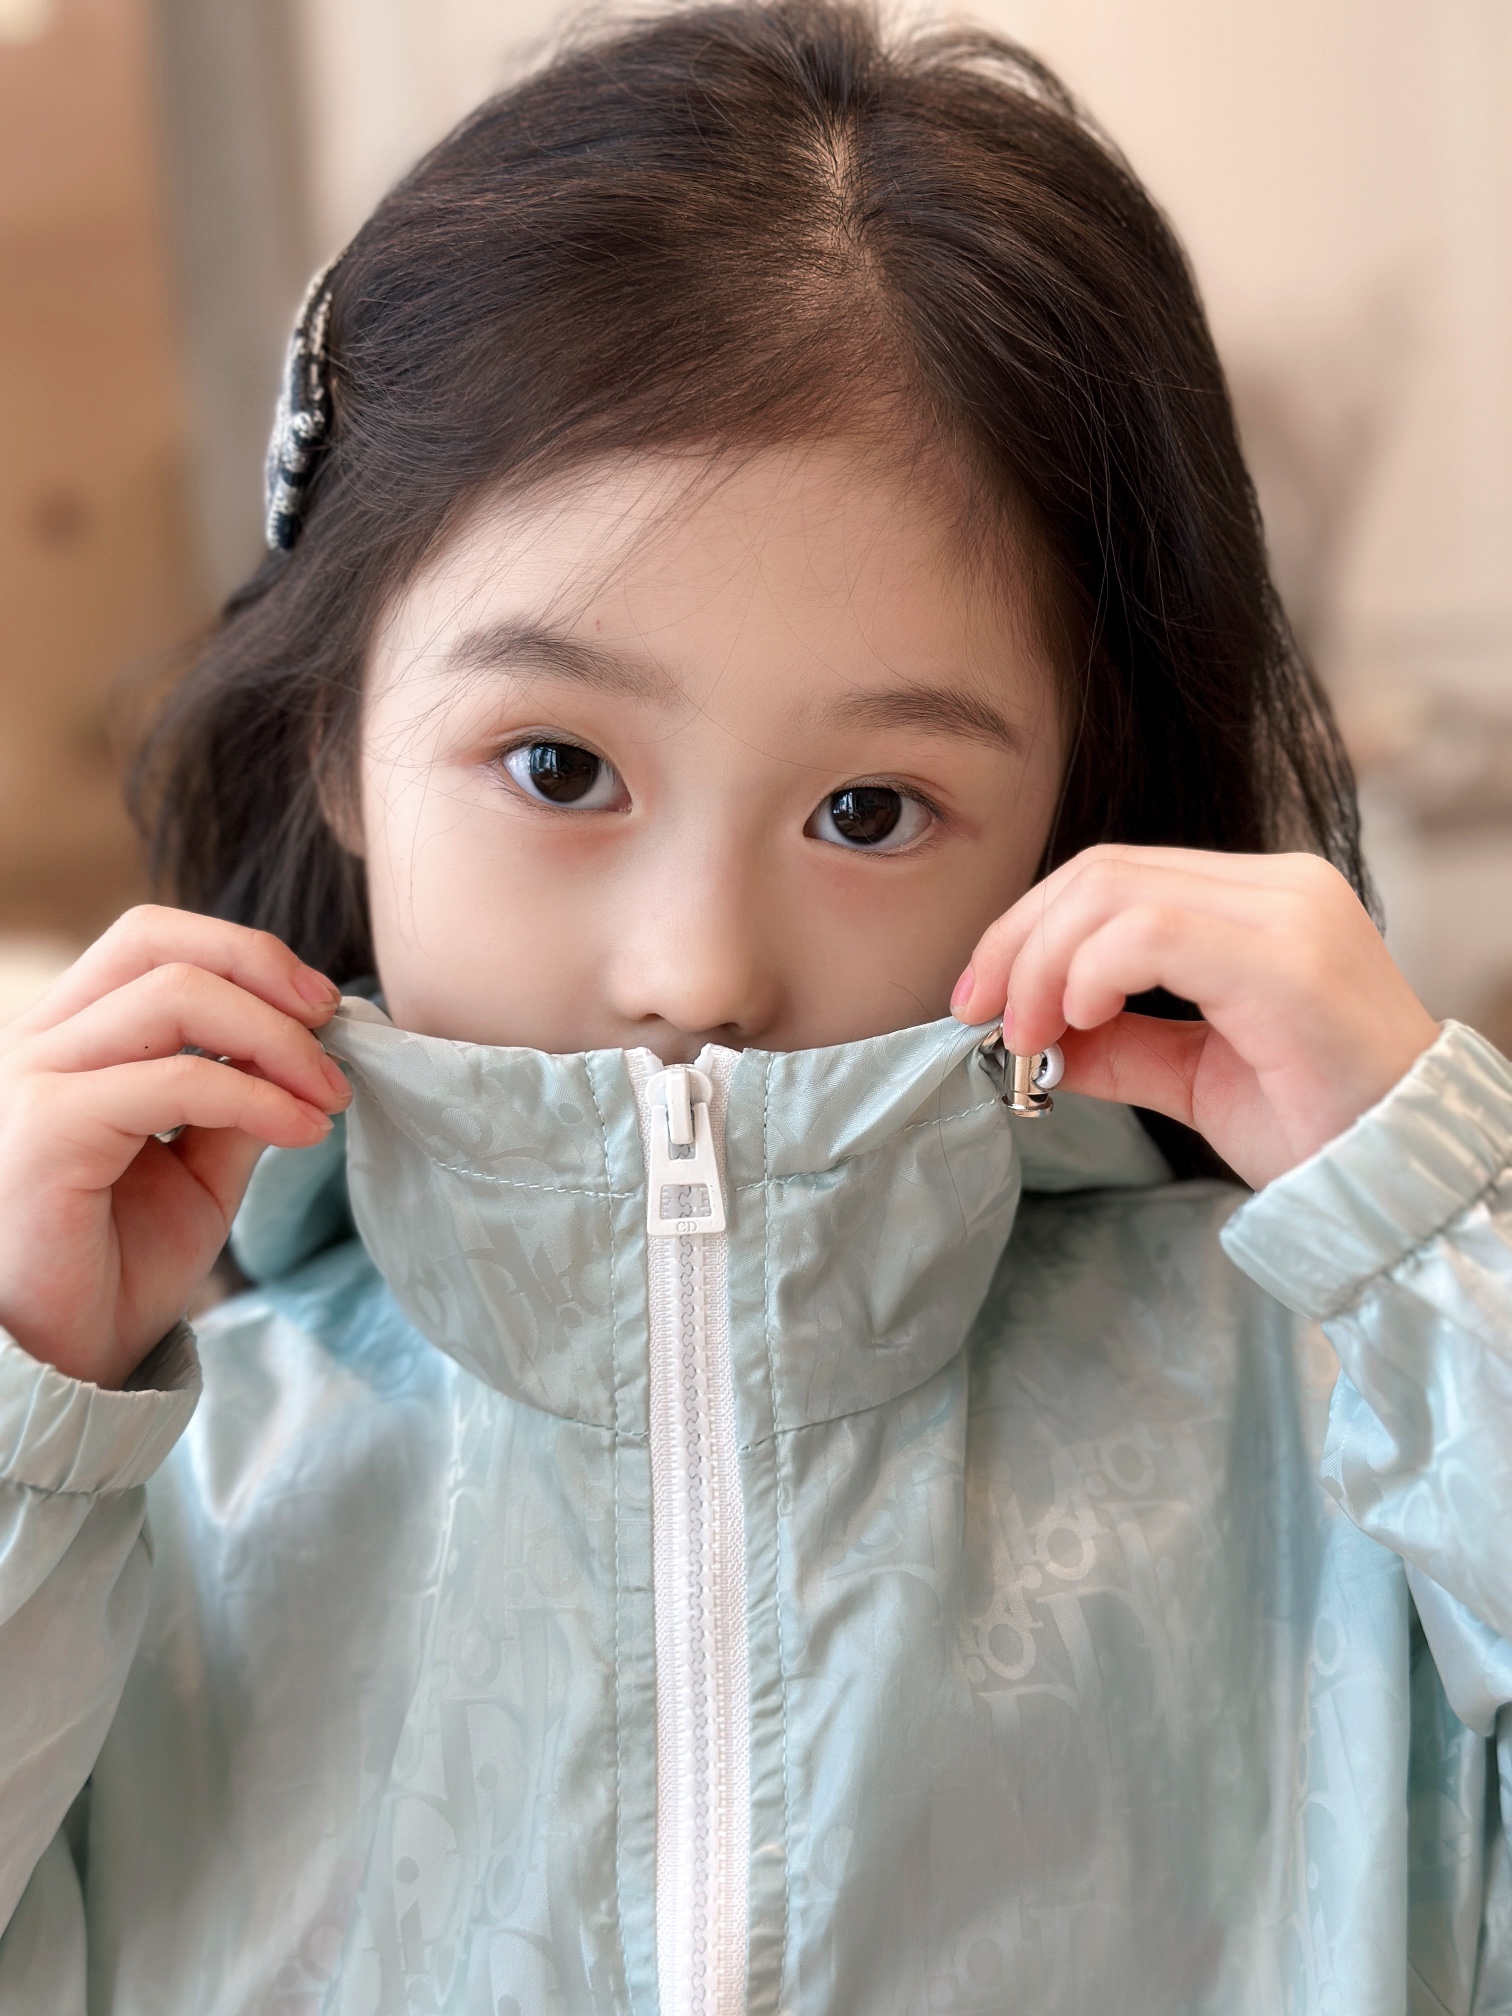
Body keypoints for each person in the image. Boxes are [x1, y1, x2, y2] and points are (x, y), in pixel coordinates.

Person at [0, 2, 1507, 2009]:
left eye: (870, 810)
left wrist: (1443, 1242)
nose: (697, 969)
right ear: (339, 740)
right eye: (558, 767)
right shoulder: (145, 1492)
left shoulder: (1348, 1430)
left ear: (1075, 822)